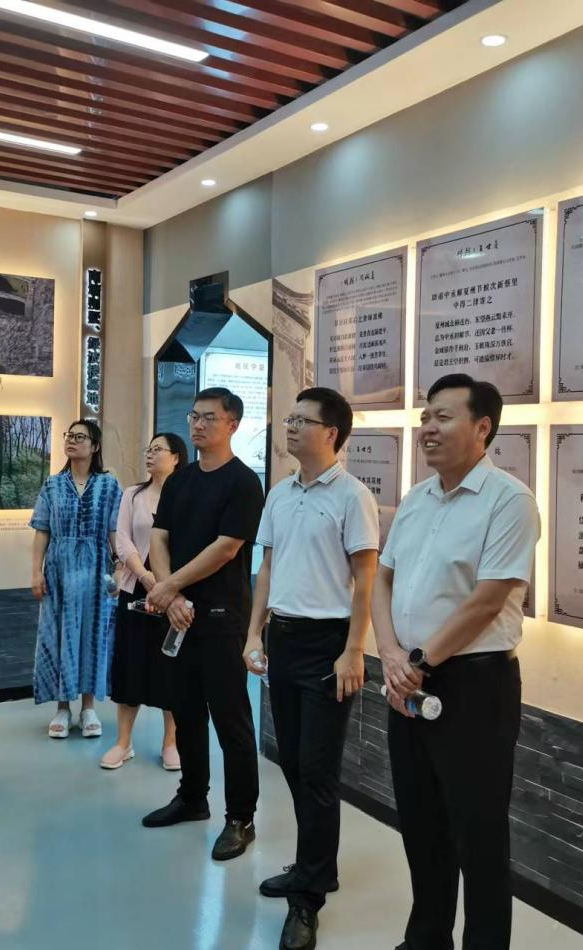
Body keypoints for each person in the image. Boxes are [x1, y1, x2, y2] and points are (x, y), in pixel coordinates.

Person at [371, 374, 539, 950]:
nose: (428, 428)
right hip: (407, 679)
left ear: (482, 427)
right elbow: (382, 579)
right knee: (421, 825)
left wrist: (417, 662)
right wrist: (389, 652)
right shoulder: (417, 499)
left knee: (479, 836)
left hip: (474, 686)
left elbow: (487, 600)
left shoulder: (510, 501)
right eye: (425, 417)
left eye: (443, 417)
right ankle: (426, 939)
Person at [244, 387, 379, 950]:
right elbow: (268, 566)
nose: (291, 426)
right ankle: (315, 866)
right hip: (285, 637)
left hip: (329, 645)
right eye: (289, 418)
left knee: (319, 774)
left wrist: (354, 649)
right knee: (296, 765)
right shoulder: (280, 493)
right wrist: (254, 632)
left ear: (331, 433)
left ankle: (308, 899)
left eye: (303, 420)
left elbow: (366, 578)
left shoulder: (353, 496)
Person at [141, 387, 265, 862]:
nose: (197, 424)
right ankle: (193, 796)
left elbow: (226, 548)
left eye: (209, 417)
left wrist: (169, 587)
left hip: (221, 617)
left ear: (233, 424)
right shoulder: (181, 480)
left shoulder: (243, 482)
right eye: (194, 416)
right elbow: (159, 537)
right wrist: (170, 594)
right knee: (185, 710)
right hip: (179, 615)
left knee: (231, 720)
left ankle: (241, 817)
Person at [101, 432, 189, 771]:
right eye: (148, 449)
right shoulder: (133, 494)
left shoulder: (186, 495)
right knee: (130, 663)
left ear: (176, 457)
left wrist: (167, 585)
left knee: (171, 665)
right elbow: (122, 539)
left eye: (158, 450)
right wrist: (145, 577)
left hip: (175, 590)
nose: (150, 454)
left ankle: (171, 743)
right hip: (136, 586)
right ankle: (123, 743)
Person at [30, 419, 122, 738]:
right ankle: (62, 707)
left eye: (81, 437)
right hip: (59, 569)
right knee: (58, 634)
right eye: (70, 436)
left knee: (93, 634)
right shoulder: (52, 485)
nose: (73, 441)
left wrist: (120, 566)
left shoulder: (109, 485)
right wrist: (35, 571)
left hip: (97, 570)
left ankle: (88, 708)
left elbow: (115, 531)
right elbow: (42, 530)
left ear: (95, 446)